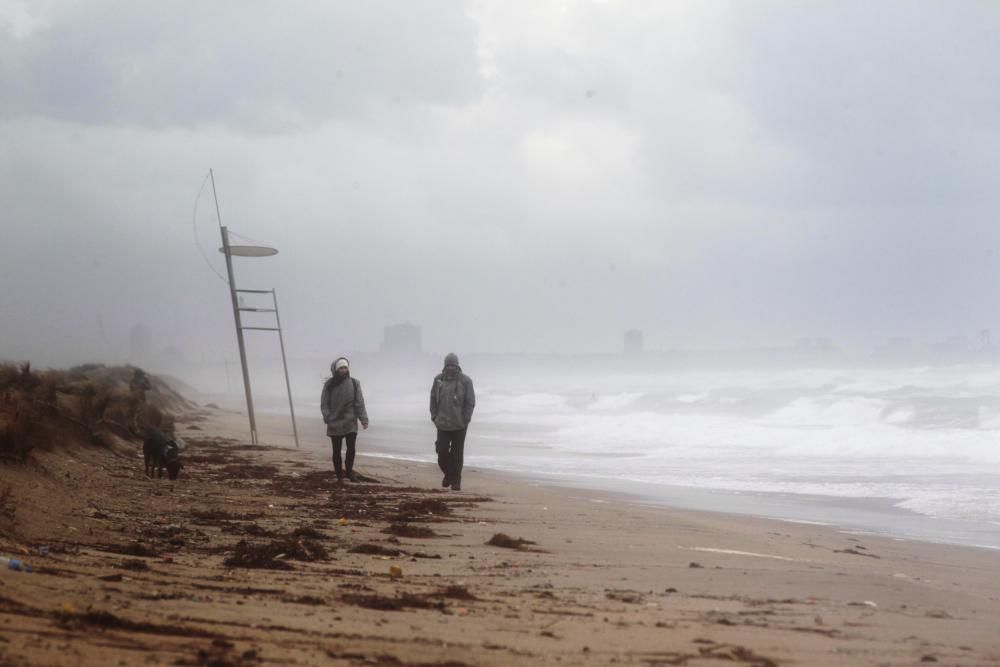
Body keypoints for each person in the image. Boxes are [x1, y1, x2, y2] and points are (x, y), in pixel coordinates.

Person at [429, 352, 475, 491]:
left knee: (457, 454)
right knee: (442, 452)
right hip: (442, 423)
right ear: (444, 366)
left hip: (459, 425)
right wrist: (434, 416)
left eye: (453, 365)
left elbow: (470, 402)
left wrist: (466, 418)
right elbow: (432, 399)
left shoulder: (466, 381)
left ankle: (456, 481)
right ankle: (449, 475)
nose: (451, 368)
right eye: (448, 365)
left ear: (457, 366)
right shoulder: (438, 380)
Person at [320, 357, 369, 482]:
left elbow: (359, 403)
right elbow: (324, 403)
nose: (344, 370)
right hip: (334, 422)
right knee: (336, 450)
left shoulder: (354, 383)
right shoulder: (329, 384)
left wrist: (364, 419)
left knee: (351, 449)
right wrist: (327, 417)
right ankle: (339, 475)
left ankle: (349, 472)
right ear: (336, 370)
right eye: (341, 368)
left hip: (350, 421)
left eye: (345, 367)